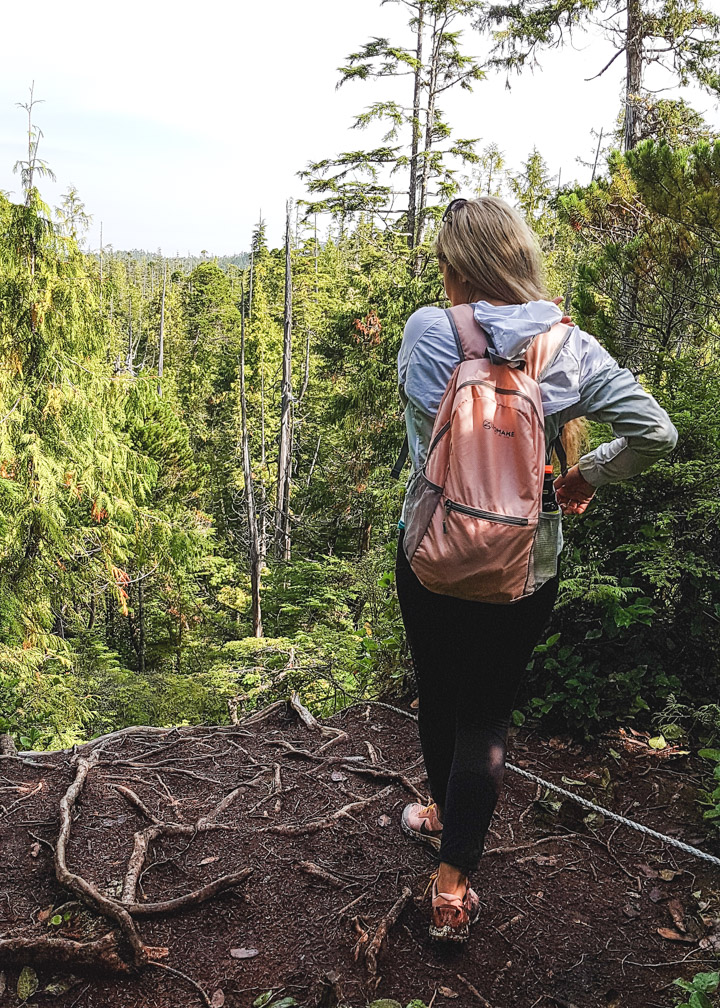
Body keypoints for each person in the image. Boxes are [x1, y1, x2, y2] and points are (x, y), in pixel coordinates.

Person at [395, 195, 678, 942]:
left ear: (458, 268)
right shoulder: (569, 347)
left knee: (440, 693)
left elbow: (428, 443)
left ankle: (439, 815)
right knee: (485, 714)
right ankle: (453, 889)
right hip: (524, 562)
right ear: (520, 261)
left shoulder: (429, 332)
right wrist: (584, 475)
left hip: (431, 552)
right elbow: (656, 432)